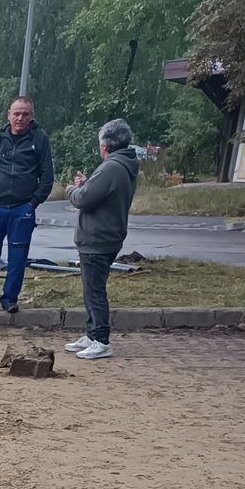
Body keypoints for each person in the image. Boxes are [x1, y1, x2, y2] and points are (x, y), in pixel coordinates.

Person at [64, 118, 139, 362]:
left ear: (105, 145)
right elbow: (100, 193)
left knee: (94, 290)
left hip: (97, 238)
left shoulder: (110, 167)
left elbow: (83, 199)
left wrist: (71, 190)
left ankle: (101, 340)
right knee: (91, 288)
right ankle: (92, 333)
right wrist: (87, 185)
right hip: (108, 235)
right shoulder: (125, 165)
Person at [0, 97, 54, 315]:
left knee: (17, 259)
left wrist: (33, 203)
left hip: (22, 209)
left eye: (25, 114)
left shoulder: (40, 139)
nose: (20, 118)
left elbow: (47, 176)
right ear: (9, 115)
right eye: (16, 113)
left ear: (32, 116)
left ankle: (9, 299)